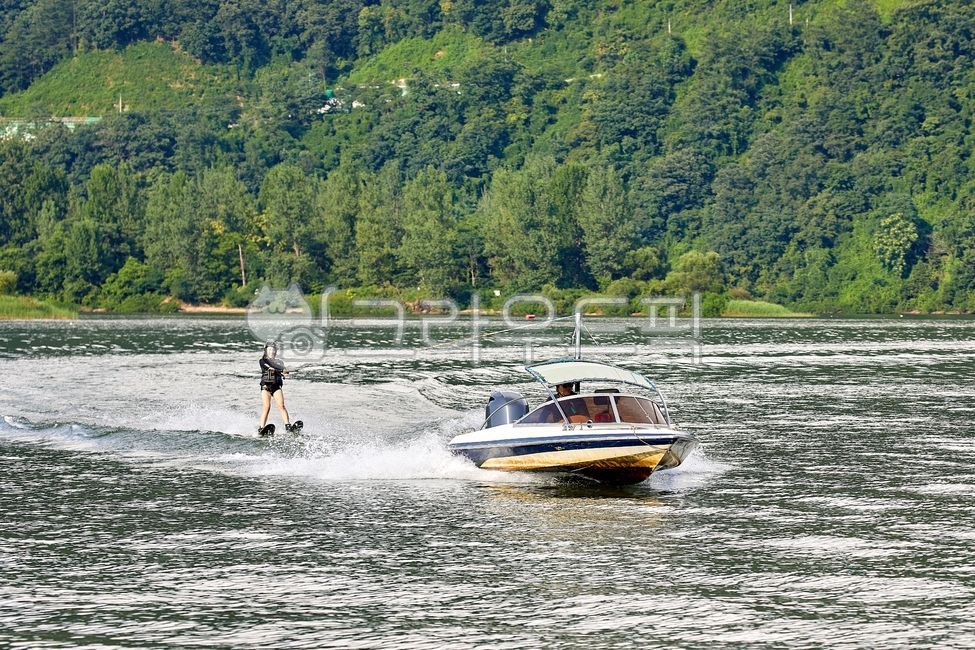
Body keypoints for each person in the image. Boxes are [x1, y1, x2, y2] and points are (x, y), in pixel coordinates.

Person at [258, 340, 294, 433]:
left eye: (273, 350)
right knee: (267, 406)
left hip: (276, 387)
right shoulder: (262, 361)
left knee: (281, 405)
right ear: (266, 351)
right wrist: (277, 369)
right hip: (266, 387)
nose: (272, 351)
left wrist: (285, 371)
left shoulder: (279, 362)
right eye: (270, 349)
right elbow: (269, 367)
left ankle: (288, 426)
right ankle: (261, 428)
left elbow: (283, 369)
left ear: (276, 351)